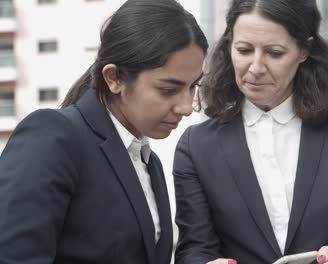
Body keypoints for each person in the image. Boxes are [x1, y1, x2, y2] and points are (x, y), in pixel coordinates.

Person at [173, 0, 328, 263]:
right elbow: (193, 250)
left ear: (304, 49)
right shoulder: (197, 147)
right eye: (244, 50)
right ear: (229, 45)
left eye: (275, 53)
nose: (255, 68)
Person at [0, 0, 207, 263]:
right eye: (168, 89)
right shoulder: (53, 137)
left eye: (193, 87)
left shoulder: (148, 162)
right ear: (114, 78)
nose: (187, 106)